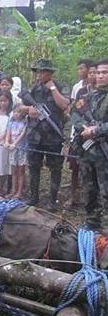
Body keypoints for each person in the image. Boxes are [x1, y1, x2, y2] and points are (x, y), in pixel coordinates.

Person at [25, 59, 70, 211]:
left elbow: (64, 105)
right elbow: (19, 106)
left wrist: (52, 88)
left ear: (50, 73)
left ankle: (52, 200)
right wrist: (28, 110)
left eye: (42, 71)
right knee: (33, 167)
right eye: (37, 71)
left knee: (55, 169)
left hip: (53, 136)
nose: (38, 74)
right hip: (35, 136)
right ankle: (33, 197)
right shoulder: (34, 88)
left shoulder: (60, 87)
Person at [71, 59, 108, 234]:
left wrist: (97, 130)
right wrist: (83, 128)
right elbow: (75, 114)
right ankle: (92, 223)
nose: (101, 75)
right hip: (88, 152)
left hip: (104, 153)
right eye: (99, 72)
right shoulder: (87, 97)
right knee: (89, 190)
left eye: (105, 72)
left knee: (105, 191)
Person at [65, 59, 93, 208]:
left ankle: (89, 198)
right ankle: (73, 196)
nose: (79, 71)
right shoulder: (78, 89)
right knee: (74, 167)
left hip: (95, 135)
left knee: (90, 169)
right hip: (78, 134)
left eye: (82, 68)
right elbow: (73, 110)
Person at [5, 104, 28, 199]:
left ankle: (19, 191)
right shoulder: (11, 123)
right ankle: (13, 190)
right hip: (12, 149)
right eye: (15, 112)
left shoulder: (25, 123)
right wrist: (7, 141)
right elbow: (8, 133)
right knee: (14, 170)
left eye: (19, 112)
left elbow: (22, 134)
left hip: (21, 149)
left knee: (21, 170)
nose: (16, 114)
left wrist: (14, 143)